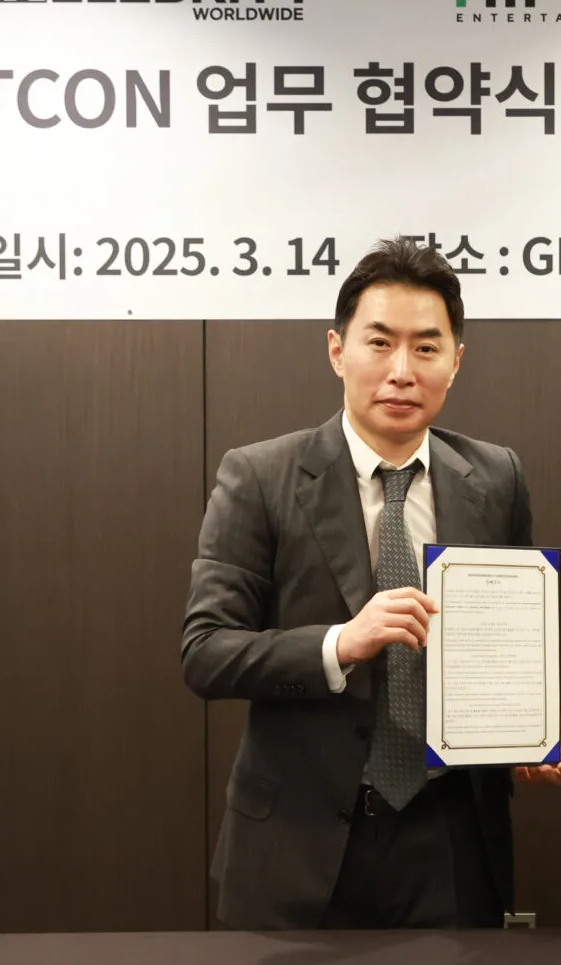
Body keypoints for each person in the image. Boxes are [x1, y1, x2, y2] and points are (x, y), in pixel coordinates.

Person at [182, 238, 533, 929]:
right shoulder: (260, 476)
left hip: (451, 840)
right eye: (380, 342)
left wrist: (541, 732)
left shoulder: (496, 478)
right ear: (338, 351)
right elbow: (206, 650)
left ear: (456, 362)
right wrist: (340, 644)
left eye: (426, 347)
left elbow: (517, 640)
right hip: (300, 843)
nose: (402, 371)